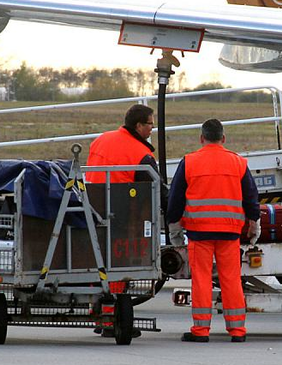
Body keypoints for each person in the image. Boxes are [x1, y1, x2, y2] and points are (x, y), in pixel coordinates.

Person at [166, 119, 261, 343]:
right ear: (223, 138)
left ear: (202, 138)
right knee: (231, 279)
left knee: (201, 279)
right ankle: (237, 330)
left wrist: (173, 226)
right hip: (230, 232)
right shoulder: (238, 162)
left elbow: (175, 199)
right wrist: (254, 223)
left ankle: (201, 330)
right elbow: (251, 197)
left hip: (199, 232)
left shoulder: (189, 162)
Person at [87, 103, 164, 339]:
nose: (152, 129)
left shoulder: (100, 140)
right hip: (121, 216)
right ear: (139, 125)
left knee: (98, 266)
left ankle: (98, 313)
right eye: (150, 124)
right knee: (118, 269)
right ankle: (113, 320)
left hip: (92, 211)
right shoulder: (140, 154)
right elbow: (155, 190)